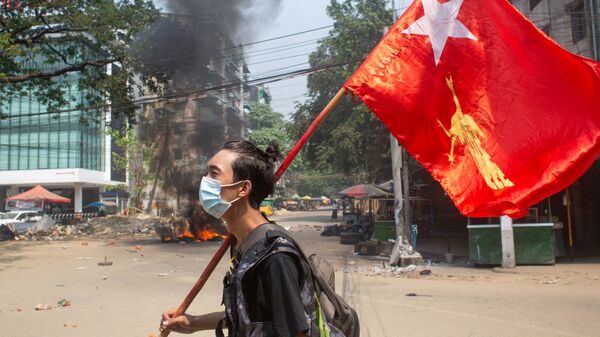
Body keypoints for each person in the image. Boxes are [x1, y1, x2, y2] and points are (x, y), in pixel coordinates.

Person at [160, 141, 313, 337]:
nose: (204, 180)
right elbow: (248, 315)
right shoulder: (244, 244)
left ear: (243, 189)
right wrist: (194, 323)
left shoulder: (275, 256)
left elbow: (296, 332)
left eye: (214, 174)